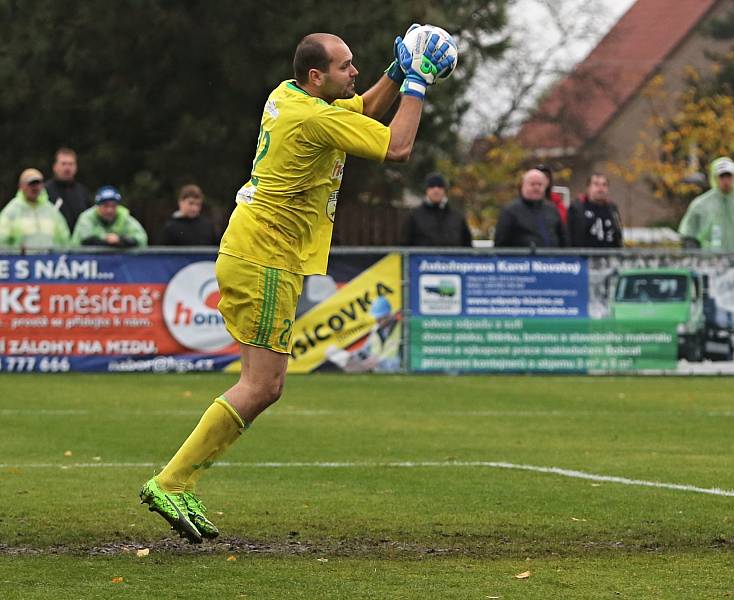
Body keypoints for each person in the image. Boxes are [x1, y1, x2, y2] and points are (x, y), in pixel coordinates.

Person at [139, 30, 455, 543]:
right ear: (317, 76)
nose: (355, 74)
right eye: (346, 66)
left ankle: (177, 481)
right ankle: (171, 482)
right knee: (263, 385)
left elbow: (359, 111)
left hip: (257, 251)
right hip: (263, 257)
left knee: (262, 385)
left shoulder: (290, 96)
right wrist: (418, 82)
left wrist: (393, 75)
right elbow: (397, 146)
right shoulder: (311, 116)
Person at [494, 168, 568, 247]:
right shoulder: (510, 211)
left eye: (540, 184)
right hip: (521, 258)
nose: (536, 188)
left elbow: (564, 239)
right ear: (523, 186)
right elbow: (500, 243)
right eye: (532, 184)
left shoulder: (552, 209)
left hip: (552, 258)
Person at [0, 168, 70, 249]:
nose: (34, 188)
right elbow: (2, 243)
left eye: (37, 183)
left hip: (49, 260)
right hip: (21, 260)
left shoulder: (52, 211)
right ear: (21, 186)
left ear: (42, 185)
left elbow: (65, 241)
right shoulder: (11, 211)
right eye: (30, 184)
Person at [402, 172, 472, 246]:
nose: (436, 190)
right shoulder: (414, 216)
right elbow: (404, 245)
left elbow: (467, 246)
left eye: (440, 186)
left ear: (445, 190)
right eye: (432, 186)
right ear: (426, 190)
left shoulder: (457, 217)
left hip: (452, 257)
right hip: (423, 257)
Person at [71, 186, 148, 248]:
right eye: (105, 206)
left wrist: (120, 240)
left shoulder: (124, 217)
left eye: (113, 206)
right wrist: (106, 240)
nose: (109, 210)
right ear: (97, 206)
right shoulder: (87, 217)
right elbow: (84, 240)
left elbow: (141, 239)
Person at [568, 173, 623, 248]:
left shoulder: (612, 209)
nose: (600, 189)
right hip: (584, 257)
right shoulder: (577, 208)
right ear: (588, 187)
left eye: (604, 185)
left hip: (610, 256)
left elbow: (618, 235)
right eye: (596, 184)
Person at [45, 148, 93, 231]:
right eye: (63, 164)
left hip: (79, 242)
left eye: (71, 164)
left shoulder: (82, 192)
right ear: (55, 167)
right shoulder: (45, 191)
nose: (67, 168)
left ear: (76, 167)